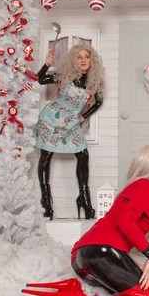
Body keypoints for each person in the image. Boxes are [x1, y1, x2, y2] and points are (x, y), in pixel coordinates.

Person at [15, 145, 149, 296]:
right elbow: (125, 220)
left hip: (83, 256)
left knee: (127, 295)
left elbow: (136, 211)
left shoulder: (140, 188)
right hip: (103, 253)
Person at [35, 44, 106, 220]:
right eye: (79, 57)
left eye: (86, 57)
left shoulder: (93, 81)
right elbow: (40, 79)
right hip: (52, 119)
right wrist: (46, 64)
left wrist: (84, 116)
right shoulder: (65, 75)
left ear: (91, 61)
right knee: (46, 157)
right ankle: (47, 206)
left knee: (83, 155)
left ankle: (84, 200)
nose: (83, 60)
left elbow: (99, 101)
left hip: (71, 122)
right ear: (73, 60)